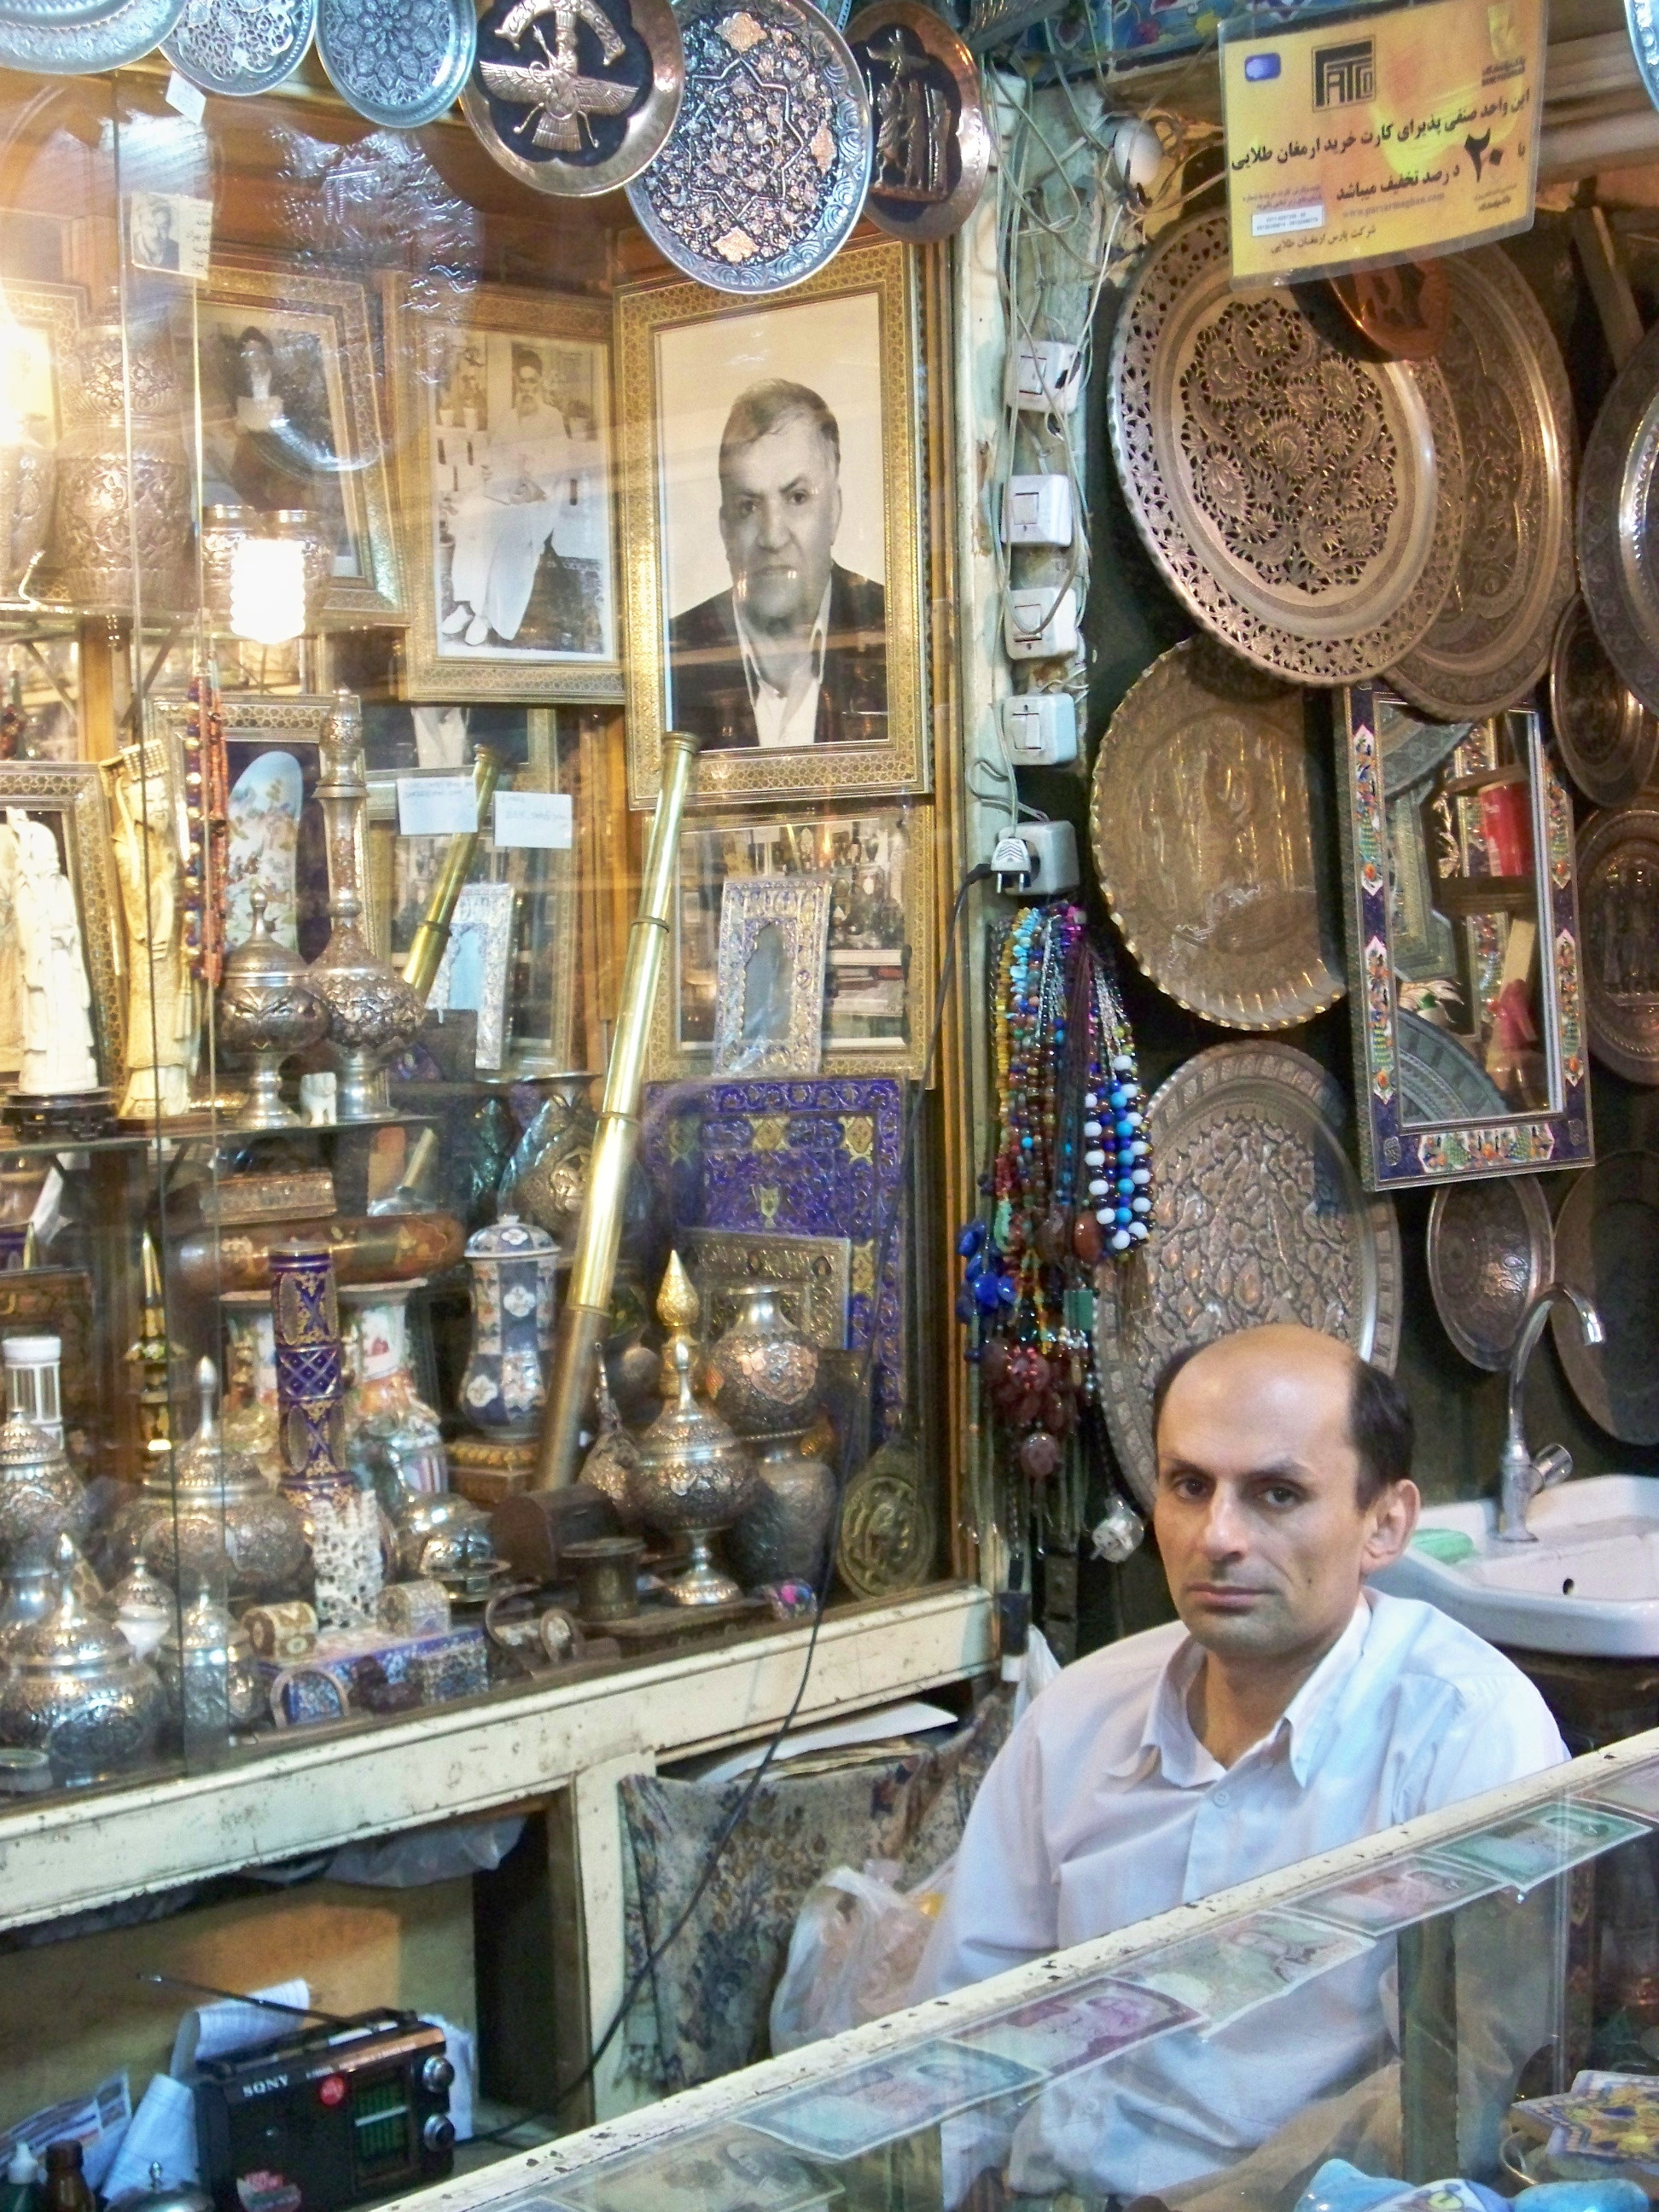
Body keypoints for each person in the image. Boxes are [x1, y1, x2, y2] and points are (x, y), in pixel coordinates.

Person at [911, 1324, 1567, 2202]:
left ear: (1385, 1524)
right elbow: (957, 2035)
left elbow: (1459, 2094)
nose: (1218, 1535)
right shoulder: (1076, 1717)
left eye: (1277, 1494)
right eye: (1189, 1485)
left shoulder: (1468, 1736)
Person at [668, 381, 887, 751]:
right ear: (725, 530)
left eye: (797, 498)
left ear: (833, 512)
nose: (772, 537)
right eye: (748, 506)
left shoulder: (896, 634)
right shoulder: (672, 659)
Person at [444, 346, 573, 649]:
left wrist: (533, 485)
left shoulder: (553, 418)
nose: (527, 388)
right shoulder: (509, 417)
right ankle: (467, 603)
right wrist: (494, 474)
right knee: (471, 518)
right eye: (522, 382)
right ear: (516, 382)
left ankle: (488, 615)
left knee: (509, 533)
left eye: (533, 382)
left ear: (540, 383)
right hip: (505, 491)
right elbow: (494, 455)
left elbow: (559, 462)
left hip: (537, 500)